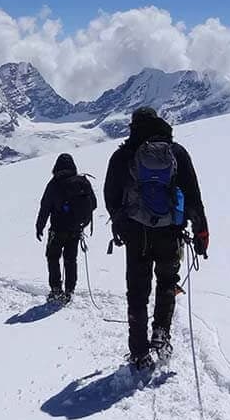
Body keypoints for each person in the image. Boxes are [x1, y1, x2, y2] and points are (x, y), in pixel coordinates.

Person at [103, 107, 209, 370]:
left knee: (137, 292)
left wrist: (121, 223)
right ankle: (161, 334)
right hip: (170, 233)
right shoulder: (176, 153)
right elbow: (193, 195)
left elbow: (110, 195)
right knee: (167, 283)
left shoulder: (123, 155)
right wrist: (201, 231)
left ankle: (139, 352)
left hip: (136, 235)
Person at [36, 153, 97, 303]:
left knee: (52, 257)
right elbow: (93, 204)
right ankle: (70, 290)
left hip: (57, 229)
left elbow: (45, 207)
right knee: (71, 259)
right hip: (76, 229)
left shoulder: (54, 183)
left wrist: (40, 226)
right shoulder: (82, 182)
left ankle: (56, 289)